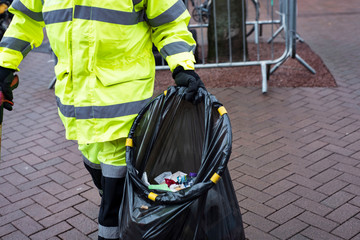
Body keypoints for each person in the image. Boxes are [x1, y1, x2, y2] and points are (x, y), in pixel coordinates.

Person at [0, 0, 204, 239]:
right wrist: (5, 64)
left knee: (115, 175)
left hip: (125, 92)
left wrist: (182, 66)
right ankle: (116, 200)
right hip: (76, 97)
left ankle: (111, 226)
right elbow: (26, 21)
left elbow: (169, 22)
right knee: (93, 157)